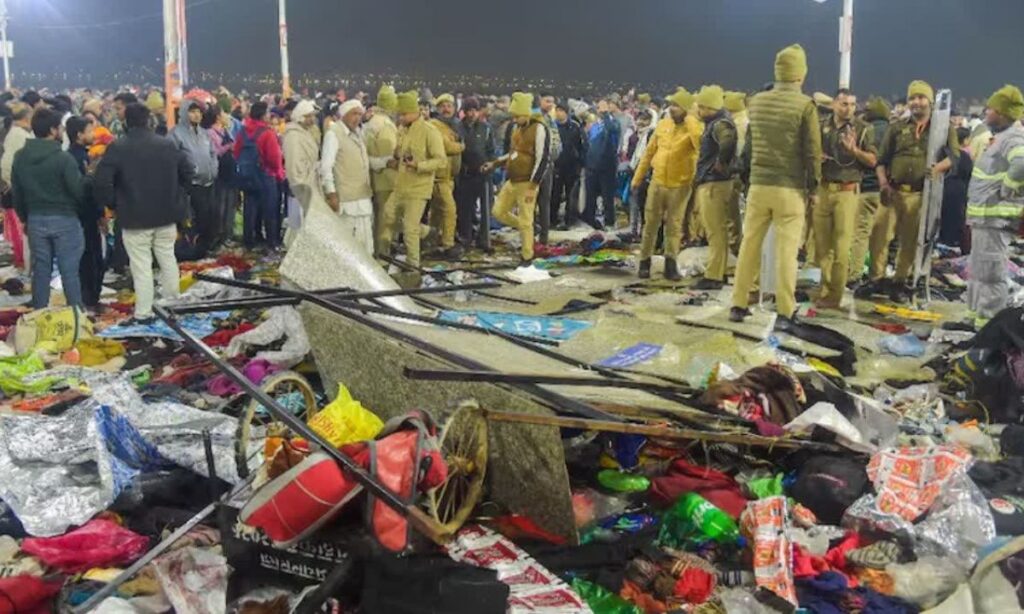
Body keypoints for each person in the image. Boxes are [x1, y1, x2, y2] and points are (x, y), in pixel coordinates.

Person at [730, 44, 822, 326]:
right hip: (789, 189)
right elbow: (812, 152)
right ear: (801, 74)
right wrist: (814, 188)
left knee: (749, 246)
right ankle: (784, 310)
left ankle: (737, 304)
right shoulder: (805, 105)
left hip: (758, 186)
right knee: (786, 252)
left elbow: (749, 147)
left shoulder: (756, 102)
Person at [94, 104, 194, 322]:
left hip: (134, 217)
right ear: (149, 120)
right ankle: (172, 304)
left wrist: (115, 204)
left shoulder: (118, 147)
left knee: (141, 266)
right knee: (168, 259)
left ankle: (144, 312)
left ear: (126, 122)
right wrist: (177, 194)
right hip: (167, 214)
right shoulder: (167, 145)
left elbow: (101, 182)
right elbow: (188, 171)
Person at [874, 80, 959, 300]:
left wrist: (939, 168)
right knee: (879, 235)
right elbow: (881, 160)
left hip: (920, 195)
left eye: (921, 98)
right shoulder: (896, 127)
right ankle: (877, 279)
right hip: (892, 192)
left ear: (929, 101)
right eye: (912, 98)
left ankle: (899, 281)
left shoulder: (942, 129)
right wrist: (883, 184)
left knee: (910, 241)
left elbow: (955, 157)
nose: (916, 102)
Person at [963, 85, 1024, 330]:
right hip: (984, 219)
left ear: (1001, 112)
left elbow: (1021, 164)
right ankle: (974, 318)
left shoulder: (1014, 137)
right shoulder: (1000, 138)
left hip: (996, 219)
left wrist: (1007, 188)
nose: (986, 112)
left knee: (990, 273)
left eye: (990, 109)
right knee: (977, 272)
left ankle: (988, 327)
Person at [11, 108, 85, 309]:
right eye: (60, 127)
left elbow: (17, 192)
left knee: (40, 269)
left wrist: (25, 218)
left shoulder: (21, 157)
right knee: (69, 270)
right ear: (53, 130)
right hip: (65, 219)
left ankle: (40, 312)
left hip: (35, 219)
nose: (62, 130)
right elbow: (78, 191)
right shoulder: (63, 159)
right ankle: (76, 314)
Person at [812, 88, 877, 308]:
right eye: (844, 104)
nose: (849, 109)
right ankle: (824, 287)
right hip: (823, 189)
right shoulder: (821, 126)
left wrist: (854, 151)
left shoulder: (863, 129)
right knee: (822, 246)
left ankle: (834, 295)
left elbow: (872, 161)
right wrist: (815, 158)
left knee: (841, 247)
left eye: (852, 104)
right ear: (834, 105)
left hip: (847, 192)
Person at [630, 88, 703, 281]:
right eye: (671, 105)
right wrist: (637, 178)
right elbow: (648, 154)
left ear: (686, 108)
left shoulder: (694, 127)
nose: (672, 109)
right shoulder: (663, 124)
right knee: (650, 225)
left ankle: (670, 264)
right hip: (658, 182)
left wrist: (690, 121)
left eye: (677, 105)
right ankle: (644, 262)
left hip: (680, 185)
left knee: (674, 226)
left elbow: (700, 146)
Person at [375, 90, 447, 267]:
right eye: (399, 114)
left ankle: (413, 267)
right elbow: (400, 154)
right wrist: (396, 156)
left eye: (403, 114)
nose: (400, 118)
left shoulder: (430, 131)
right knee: (387, 217)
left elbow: (441, 161)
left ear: (414, 112)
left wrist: (419, 165)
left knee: (409, 229)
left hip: (418, 188)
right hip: (400, 185)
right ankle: (426, 232)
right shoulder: (402, 130)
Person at [483, 92, 551, 265]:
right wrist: (495, 163)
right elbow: (513, 153)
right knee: (498, 212)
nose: (514, 119)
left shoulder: (539, 128)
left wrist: (533, 185)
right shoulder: (517, 129)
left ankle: (527, 256)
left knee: (526, 218)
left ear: (525, 114)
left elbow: (542, 158)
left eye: (517, 116)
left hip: (527, 182)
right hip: (512, 180)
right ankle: (527, 229)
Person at [693, 85, 740, 290]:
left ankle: (714, 276)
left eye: (701, 108)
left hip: (715, 184)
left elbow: (728, 140)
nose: (698, 112)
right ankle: (716, 273)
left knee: (715, 231)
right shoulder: (717, 122)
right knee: (717, 230)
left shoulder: (720, 124)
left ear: (709, 107)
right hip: (715, 182)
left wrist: (721, 162)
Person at [321, 99, 374, 253]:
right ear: (344, 115)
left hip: (362, 197)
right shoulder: (334, 133)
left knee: (364, 245)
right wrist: (331, 194)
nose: (357, 118)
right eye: (354, 114)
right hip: (346, 200)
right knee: (347, 246)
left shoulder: (358, 134)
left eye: (360, 114)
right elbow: (326, 167)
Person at [849, 97, 893, 284]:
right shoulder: (894, 131)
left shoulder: (866, 131)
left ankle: (854, 274)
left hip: (866, 188)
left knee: (860, 234)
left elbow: (869, 160)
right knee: (882, 238)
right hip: (887, 191)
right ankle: (877, 275)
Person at [66, 116, 106, 309]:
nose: (93, 134)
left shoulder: (79, 155)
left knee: (90, 259)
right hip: (85, 217)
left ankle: (89, 298)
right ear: (79, 135)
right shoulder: (77, 159)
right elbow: (86, 191)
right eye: (89, 131)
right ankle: (90, 300)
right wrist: (99, 214)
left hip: (83, 216)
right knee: (91, 259)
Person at [234, 101, 285, 250]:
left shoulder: (242, 131)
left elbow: (236, 152)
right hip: (266, 175)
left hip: (247, 176)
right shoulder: (267, 133)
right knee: (270, 210)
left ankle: (249, 241)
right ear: (263, 116)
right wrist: (279, 174)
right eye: (268, 113)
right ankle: (271, 242)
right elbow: (274, 158)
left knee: (250, 209)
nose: (270, 116)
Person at [171, 100, 219, 257]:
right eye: (192, 111)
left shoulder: (204, 133)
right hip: (191, 185)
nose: (197, 114)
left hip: (209, 183)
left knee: (209, 219)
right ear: (184, 113)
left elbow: (213, 153)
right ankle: (192, 252)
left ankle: (205, 250)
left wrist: (214, 168)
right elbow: (173, 159)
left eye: (199, 111)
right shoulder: (175, 134)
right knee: (193, 221)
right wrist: (191, 172)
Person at [283, 99, 326, 244]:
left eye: (313, 116)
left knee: (306, 224)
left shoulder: (305, 132)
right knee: (297, 225)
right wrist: (300, 188)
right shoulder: (293, 135)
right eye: (309, 116)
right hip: (300, 187)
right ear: (301, 116)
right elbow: (293, 166)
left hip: (309, 183)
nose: (313, 119)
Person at [428, 93, 464, 258]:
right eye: (443, 106)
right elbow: (447, 147)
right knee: (450, 211)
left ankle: (432, 241)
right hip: (439, 177)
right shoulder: (434, 125)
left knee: (436, 213)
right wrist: (461, 146)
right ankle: (448, 244)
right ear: (437, 109)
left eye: (449, 105)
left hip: (448, 176)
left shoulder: (453, 126)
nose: (446, 109)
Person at [455, 96, 495, 247]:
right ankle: (466, 237)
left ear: (478, 112)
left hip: (484, 175)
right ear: (464, 112)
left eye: (474, 110)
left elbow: (491, 151)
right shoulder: (458, 128)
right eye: (468, 111)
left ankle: (484, 239)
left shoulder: (486, 128)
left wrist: (491, 164)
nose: (471, 114)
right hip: (466, 175)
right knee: (465, 208)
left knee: (486, 209)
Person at [364, 85, 400, 249]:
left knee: (380, 216)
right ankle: (383, 254)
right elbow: (389, 156)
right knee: (385, 219)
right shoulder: (385, 125)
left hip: (374, 177)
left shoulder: (371, 123)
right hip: (386, 179)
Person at [1, 102, 32, 270]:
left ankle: (22, 263)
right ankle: (25, 266)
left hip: (12, 188)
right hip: (20, 190)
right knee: (23, 234)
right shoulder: (21, 136)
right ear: (27, 116)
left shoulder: (12, 133)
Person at [583, 99, 621, 229]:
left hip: (607, 168)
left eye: (602, 108)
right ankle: (590, 221)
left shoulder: (614, 123)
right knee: (590, 197)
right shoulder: (594, 126)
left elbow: (612, 129)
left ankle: (609, 223)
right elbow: (589, 145)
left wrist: (605, 114)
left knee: (607, 198)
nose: (599, 110)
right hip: (592, 167)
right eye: (599, 108)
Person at [204, 106, 238, 248]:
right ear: (218, 116)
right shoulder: (210, 133)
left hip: (231, 173)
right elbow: (214, 152)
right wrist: (228, 147)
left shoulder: (227, 130)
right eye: (224, 113)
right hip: (219, 174)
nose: (227, 115)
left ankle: (228, 234)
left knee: (231, 204)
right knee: (220, 205)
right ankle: (219, 235)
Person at [552, 102, 586, 230]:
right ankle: (553, 219)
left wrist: (581, 163)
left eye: (561, 111)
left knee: (571, 195)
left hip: (572, 167)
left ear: (566, 112)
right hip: (557, 166)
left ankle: (570, 220)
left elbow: (583, 146)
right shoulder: (552, 126)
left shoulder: (575, 127)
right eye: (557, 110)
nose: (558, 113)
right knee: (555, 194)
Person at [938, 127, 973, 248]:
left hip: (944, 187)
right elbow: (969, 174)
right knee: (956, 217)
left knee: (944, 216)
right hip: (960, 190)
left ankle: (944, 241)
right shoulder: (964, 156)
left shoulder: (942, 154)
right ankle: (953, 241)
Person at [535, 92, 562, 244]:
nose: (550, 104)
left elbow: (556, 142)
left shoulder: (551, 120)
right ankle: (531, 234)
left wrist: (555, 156)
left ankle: (544, 237)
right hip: (535, 166)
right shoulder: (534, 118)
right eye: (547, 101)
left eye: (552, 101)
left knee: (545, 201)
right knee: (530, 202)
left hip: (549, 166)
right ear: (540, 101)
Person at [625, 109, 656, 236]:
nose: (641, 122)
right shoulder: (633, 136)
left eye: (644, 119)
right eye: (639, 119)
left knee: (644, 204)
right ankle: (633, 230)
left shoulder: (652, 134)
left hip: (646, 174)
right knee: (633, 202)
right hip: (634, 172)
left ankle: (644, 231)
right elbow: (630, 154)